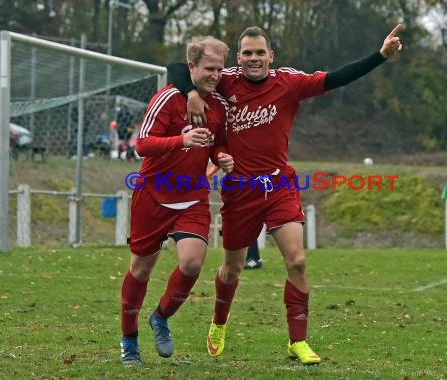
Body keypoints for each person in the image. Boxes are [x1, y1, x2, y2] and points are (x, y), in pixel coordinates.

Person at [169, 24, 403, 364]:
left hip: (279, 186)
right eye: (247, 53)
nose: (253, 58)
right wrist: (190, 91)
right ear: (239, 57)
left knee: (297, 260)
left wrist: (380, 57)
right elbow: (175, 68)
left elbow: (336, 78)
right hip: (239, 191)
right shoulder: (226, 80)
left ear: (271, 56)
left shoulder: (289, 82)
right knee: (231, 270)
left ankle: (298, 341)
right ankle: (219, 322)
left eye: (259, 52)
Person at [119, 36, 234, 366]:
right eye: (209, 68)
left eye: (220, 69)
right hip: (152, 195)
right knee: (141, 270)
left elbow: (218, 144)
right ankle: (129, 340)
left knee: (192, 263)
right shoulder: (168, 98)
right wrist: (180, 140)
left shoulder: (220, 105)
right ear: (192, 67)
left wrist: (223, 157)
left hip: (193, 196)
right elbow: (141, 145)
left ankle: (161, 316)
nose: (216, 75)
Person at [206, 164, 263, 269]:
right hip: (239, 186)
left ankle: (255, 258)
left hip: (250, 185)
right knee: (239, 224)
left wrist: (210, 172)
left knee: (247, 223)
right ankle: (250, 258)